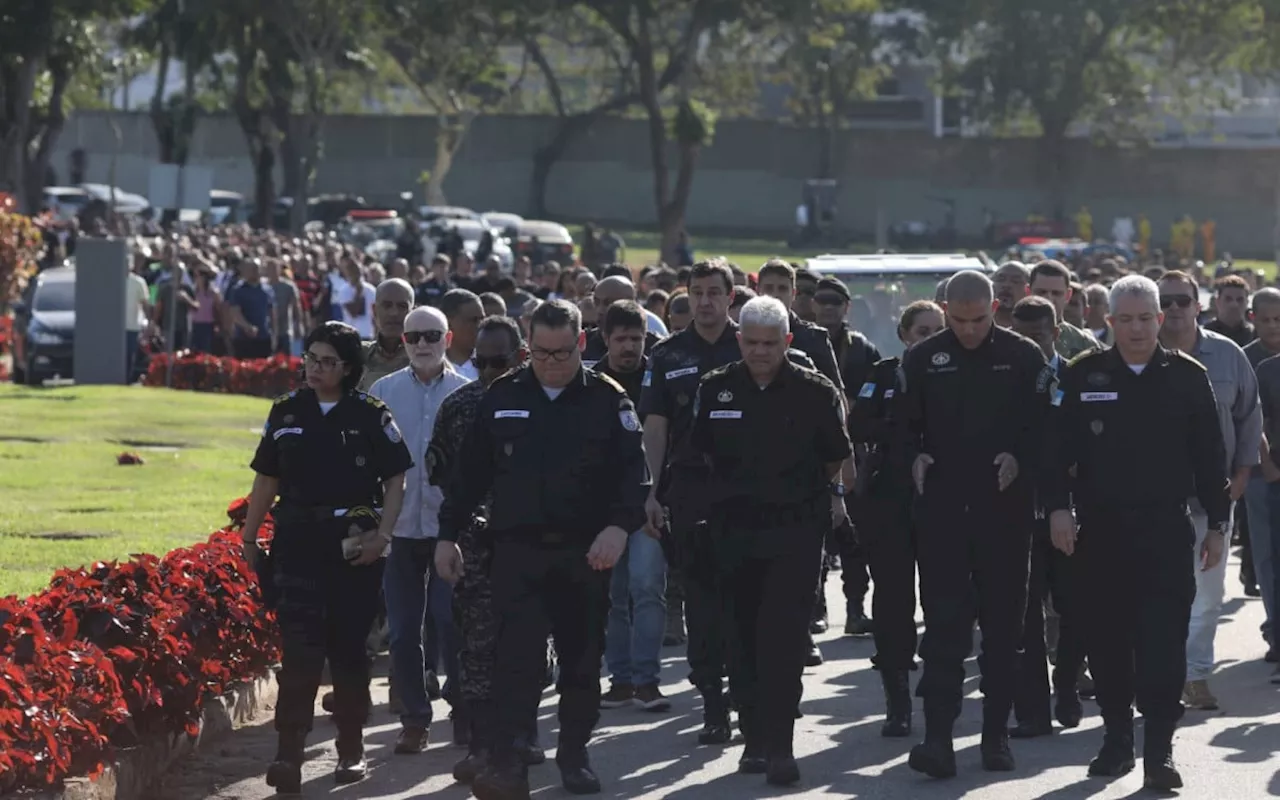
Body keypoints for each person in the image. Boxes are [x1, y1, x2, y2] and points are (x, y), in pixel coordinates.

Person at [435, 300, 650, 798]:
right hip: (518, 551)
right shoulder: (503, 396)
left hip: (585, 554)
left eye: (561, 353)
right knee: (517, 662)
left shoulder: (607, 400)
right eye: (540, 353)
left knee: (579, 661)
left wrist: (618, 529)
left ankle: (574, 756)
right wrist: (447, 536)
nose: (550, 363)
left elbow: (634, 478)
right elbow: (467, 478)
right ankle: (509, 764)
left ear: (580, 343)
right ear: (528, 347)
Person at [1043, 275, 1229, 790]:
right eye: (1124, 319)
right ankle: (1117, 740)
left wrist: (1216, 524)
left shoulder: (1187, 376)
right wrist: (1058, 508)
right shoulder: (1085, 375)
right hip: (1100, 531)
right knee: (1106, 641)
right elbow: (1055, 452)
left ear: (1162, 318)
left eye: (1146, 317)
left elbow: (1210, 456)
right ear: (1109, 323)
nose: (1137, 327)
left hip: (1166, 529)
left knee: (1164, 646)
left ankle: (1159, 752)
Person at [239, 322, 413, 793]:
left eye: (327, 361)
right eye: (311, 358)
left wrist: (382, 535)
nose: (315, 368)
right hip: (297, 545)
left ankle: (351, 750)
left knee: (350, 654)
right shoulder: (287, 411)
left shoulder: (370, 414)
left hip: (353, 549)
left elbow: (398, 478)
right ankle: (288, 754)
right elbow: (265, 481)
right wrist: (250, 539)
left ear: (349, 368)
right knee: (298, 656)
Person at [690, 296, 852, 787]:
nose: (760, 352)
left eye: (769, 344)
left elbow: (833, 458)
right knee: (739, 638)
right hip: (733, 532)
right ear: (739, 340)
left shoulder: (814, 391)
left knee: (781, 641)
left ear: (786, 341)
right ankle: (754, 737)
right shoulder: (715, 389)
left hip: (793, 533)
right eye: (751, 342)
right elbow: (697, 457)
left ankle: (780, 746)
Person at [898, 270, 1052, 778]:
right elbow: (901, 427)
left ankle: (995, 735)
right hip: (943, 515)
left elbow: (1046, 429)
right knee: (943, 630)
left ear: (995, 310)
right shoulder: (922, 360)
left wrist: (1020, 457)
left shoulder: (1022, 356)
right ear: (945, 312)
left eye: (979, 320)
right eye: (959, 321)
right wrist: (914, 455)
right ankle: (938, 739)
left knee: (1004, 632)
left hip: (1004, 516)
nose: (969, 331)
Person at [429, 316, 541, 783]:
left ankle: (522, 736)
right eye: (482, 362)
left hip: (532, 543)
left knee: (529, 644)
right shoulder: (460, 407)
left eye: (501, 361)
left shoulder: (543, 403)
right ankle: (478, 744)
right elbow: (443, 476)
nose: (491, 371)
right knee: (475, 646)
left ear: (521, 356)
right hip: (476, 545)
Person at [1156, 271, 1261, 712]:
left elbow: (1249, 418)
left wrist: (1241, 477)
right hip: (1151, 501)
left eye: (1183, 300)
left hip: (1213, 498)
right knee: (1156, 592)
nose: (1175, 308)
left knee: (1208, 593)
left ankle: (1196, 675)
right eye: (1167, 301)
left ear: (1199, 305)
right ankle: (1159, 676)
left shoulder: (1227, 355)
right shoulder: (1137, 353)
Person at [369, 307, 472, 754]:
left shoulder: (467, 393)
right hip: (400, 532)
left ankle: (464, 713)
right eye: (414, 337)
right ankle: (415, 718)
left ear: (448, 338)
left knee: (452, 625)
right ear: (403, 341)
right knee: (404, 631)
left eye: (432, 335)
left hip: (450, 532)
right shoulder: (383, 391)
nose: (423, 344)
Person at [847, 300, 944, 738]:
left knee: (945, 601)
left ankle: (941, 695)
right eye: (921, 331)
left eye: (936, 330)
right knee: (893, 601)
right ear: (905, 335)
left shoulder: (956, 374)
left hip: (943, 499)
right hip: (890, 499)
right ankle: (897, 701)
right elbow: (859, 424)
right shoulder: (885, 374)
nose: (929, 338)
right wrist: (904, 435)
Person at [1007, 296, 1087, 738]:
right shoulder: (1003, 377)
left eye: (1037, 336)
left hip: (1069, 510)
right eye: (1020, 336)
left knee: (1075, 607)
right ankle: (1033, 710)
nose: (1028, 345)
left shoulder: (1076, 376)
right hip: (1018, 512)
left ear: (1055, 333)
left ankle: (1068, 683)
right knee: (1025, 615)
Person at [594, 301, 670, 712]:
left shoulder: (656, 380)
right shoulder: (589, 382)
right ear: (606, 339)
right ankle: (619, 680)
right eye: (620, 338)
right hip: (604, 507)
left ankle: (646, 680)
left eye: (636, 339)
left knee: (646, 588)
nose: (628, 347)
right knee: (612, 593)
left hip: (647, 503)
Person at [811, 275, 878, 636]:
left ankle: (855, 608)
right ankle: (816, 609)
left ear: (846, 306)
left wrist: (853, 407)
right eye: (821, 300)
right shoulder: (804, 343)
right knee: (817, 537)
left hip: (854, 451)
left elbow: (876, 396)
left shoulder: (862, 349)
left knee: (856, 536)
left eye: (835, 301)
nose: (827, 306)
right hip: (812, 454)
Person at [1245, 288, 1280, 658]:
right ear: (1253, 318)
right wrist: (1266, 464)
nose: (1273, 326)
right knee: (1267, 556)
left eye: (1279, 318)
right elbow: (1250, 418)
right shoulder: (1248, 360)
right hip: (1261, 474)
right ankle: (1275, 629)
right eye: (1266, 319)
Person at [1028, 260, 1099, 358]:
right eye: (1041, 292)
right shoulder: (1008, 339)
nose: (1048, 299)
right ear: (1028, 292)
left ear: (1068, 295)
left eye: (1056, 293)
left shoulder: (1085, 344)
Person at [358, 279, 415, 391]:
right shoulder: (357, 356)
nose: (394, 313)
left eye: (402, 306)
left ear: (412, 312)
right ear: (374, 311)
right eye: (387, 305)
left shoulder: (425, 358)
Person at [228, 257, 276, 359]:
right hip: (243, 338)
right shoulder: (238, 290)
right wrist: (247, 326)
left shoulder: (267, 289)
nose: (254, 271)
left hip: (263, 337)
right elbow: (235, 313)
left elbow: (272, 312)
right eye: (251, 268)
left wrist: (274, 333)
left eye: (256, 268)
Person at [1206, 274, 1256, 348]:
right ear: (1217, 301)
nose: (1234, 305)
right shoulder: (1204, 334)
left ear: (1247, 303)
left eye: (1240, 300)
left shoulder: (1254, 335)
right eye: (1228, 299)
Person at [991, 261, 1030, 329]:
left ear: (1028, 290)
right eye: (1001, 279)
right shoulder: (977, 325)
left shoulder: (1032, 328)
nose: (1006, 285)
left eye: (1015, 281)